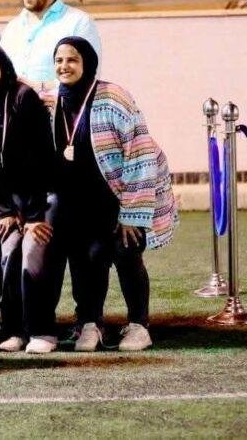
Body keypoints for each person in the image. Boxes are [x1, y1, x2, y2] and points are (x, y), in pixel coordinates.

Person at [45, 37, 176, 352]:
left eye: (72, 60)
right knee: (85, 257)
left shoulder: (114, 98)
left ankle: (139, 325)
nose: (64, 66)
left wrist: (131, 213)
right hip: (82, 203)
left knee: (125, 251)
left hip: (123, 198)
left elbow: (140, 153)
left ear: (88, 63)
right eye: (59, 60)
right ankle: (90, 323)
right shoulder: (52, 101)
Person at [0, 43, 58, 353]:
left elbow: (42, 159)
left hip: (42, 197)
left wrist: (33, 216)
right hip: (8, 201)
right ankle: (15, 329)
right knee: (8, 253)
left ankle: (43, 331)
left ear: (2, 65)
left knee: (32, 251)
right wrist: (5, 211)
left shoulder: (23, 97)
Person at [0, 0, 101, 109]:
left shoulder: (78, 22)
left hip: (60, 117)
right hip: (15, 119)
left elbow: (89, 76)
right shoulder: (11, 28)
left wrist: (39, 87)